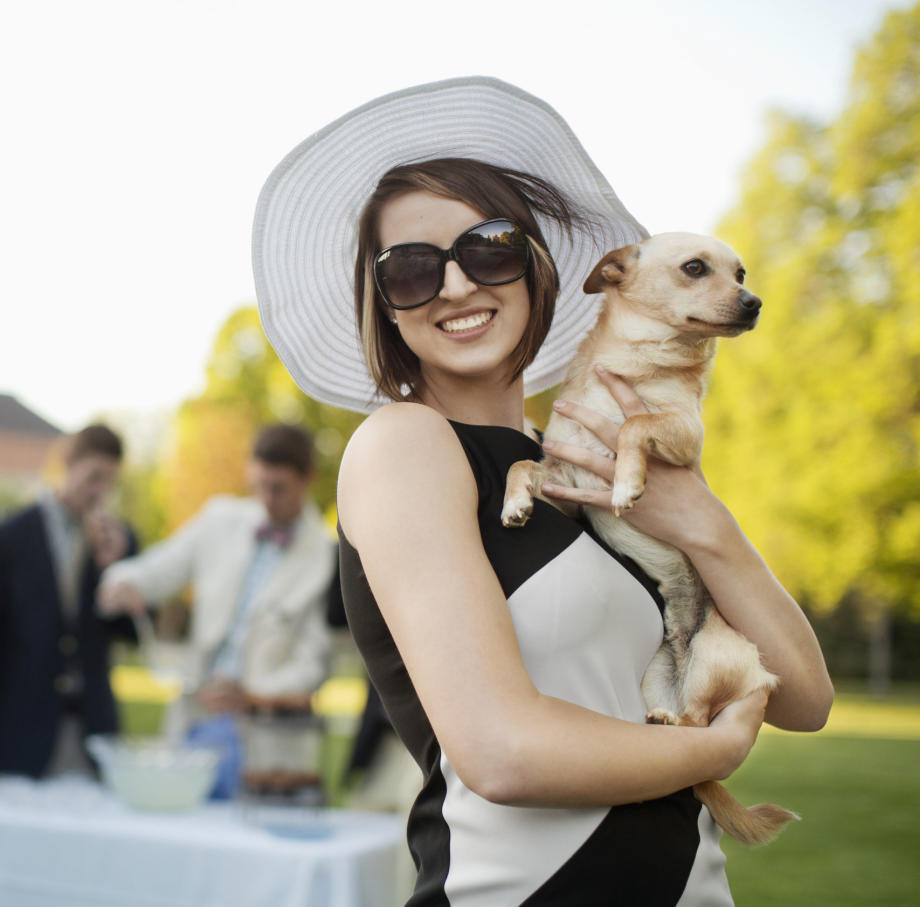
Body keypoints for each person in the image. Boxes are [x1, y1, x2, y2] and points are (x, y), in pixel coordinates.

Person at [253, 78, 834, 906]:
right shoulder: (405, 447)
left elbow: (806, 699)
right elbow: (501, 752)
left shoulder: (588, 463)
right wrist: (710, 751)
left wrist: (706, 522)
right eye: (412, 268)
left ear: (536, 266)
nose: (455, 286)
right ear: (385, 305)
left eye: (486, 246)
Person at [98, 423, 336, 786]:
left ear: (308, 479)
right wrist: (123, 581)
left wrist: (251, 697)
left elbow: (314, 664)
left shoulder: (326, 556)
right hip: (195, 720)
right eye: (258, 486)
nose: (267, 499)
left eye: (279, 489)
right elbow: (160, 568)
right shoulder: (219, 519)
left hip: (267, 743)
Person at [0, 423, 137, 778]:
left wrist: (117, 570)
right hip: (22, 728)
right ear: (68, 464)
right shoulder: (12, 536)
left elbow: (131, 632)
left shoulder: (120, 541)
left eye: (110, 481)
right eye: (94, 477)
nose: (101, 491)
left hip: (93, 728)